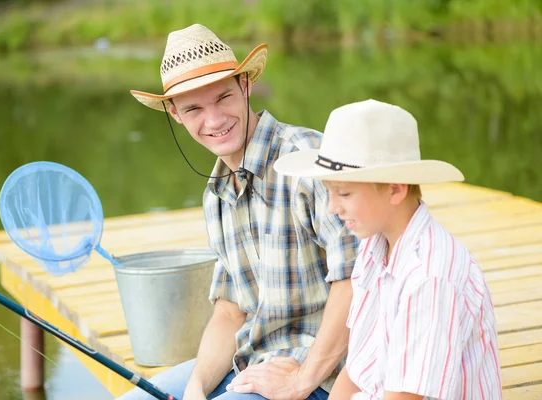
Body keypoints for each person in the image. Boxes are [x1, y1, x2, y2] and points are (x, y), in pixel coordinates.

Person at [118, 24, 358, 400]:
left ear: (245, 85)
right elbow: (231, 313)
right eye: (194, 108)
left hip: (329, 373)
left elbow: (357, 282)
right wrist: (195, 389)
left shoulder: (308, 158)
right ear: (174, 113)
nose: (213, 121)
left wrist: (301, 381)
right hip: (256, 362)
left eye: (223, 98)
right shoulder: (216, 195)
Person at [274, 99, 503, 400]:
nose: (331, 208)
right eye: (329, 192)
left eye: (344, 193)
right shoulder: (374, 246)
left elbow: (407, 396)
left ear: (396, 189)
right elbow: (357, 369)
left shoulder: (429, 276)